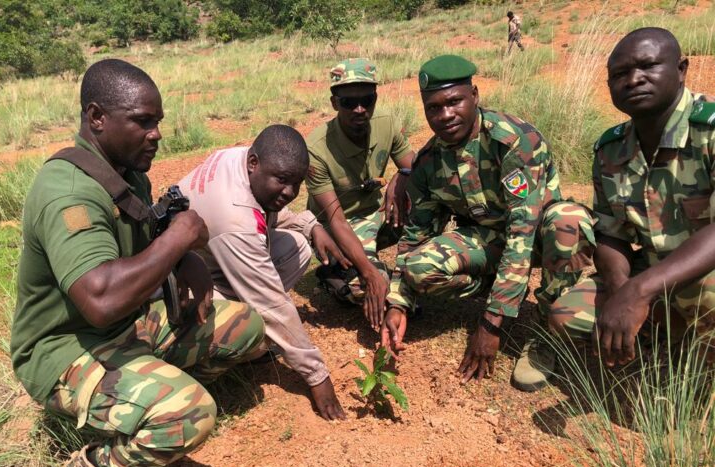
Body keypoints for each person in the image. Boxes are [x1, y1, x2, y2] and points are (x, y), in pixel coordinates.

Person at [10, 59, 266, 467]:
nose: (156, 134)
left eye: (158, 122)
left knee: (244, 326)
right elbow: (101, 300)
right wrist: (180, 238)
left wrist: (184, 256)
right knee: (192, 413)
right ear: (97, 118)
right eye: (142, 122)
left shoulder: (126, 174)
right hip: (65, 350)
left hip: (125, 328)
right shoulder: (69, 192)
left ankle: (143, 402)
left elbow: (143, 239)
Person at [380, 54, 594, 390]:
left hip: (539, 237)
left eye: (454, 102)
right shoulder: (428, 163)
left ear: (475, 96)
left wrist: (491, 323)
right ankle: (509, 291)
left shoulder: (513, 142)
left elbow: (522, 234)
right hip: (489, 239)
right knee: (418, 267)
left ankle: (547, 330)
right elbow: (415, 237)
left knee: (570, 220)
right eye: (433, 107)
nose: (445, 115)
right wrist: (398, 304)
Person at [550, 28, 715, 367]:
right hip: (652, 272)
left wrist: (640, 291)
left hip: (706, 273)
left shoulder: (709, 132)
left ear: (681, 70)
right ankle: (659, 338)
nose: (634, 80)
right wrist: (620, 289)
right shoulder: (610, 149)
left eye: (648, 66)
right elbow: (611, 233)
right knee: (566, 315)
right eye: (619, 74)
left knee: (708, 296)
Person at [176, 125, 347, 420]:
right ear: (254, 163)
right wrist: (317, 376)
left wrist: (311, 225)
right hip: (183, 291)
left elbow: (267, 205)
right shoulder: (234, 219)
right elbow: (272, 304)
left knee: (298, 247)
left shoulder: (239, 159)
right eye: (282, 181)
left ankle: (245, 320)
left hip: (208, 265)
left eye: (297, 184)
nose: (290, 193)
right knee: (255, 327)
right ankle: (190, 378)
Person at [305, 58, 415, 330]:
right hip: (338, 227)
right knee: (365, 288)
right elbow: (336, 220)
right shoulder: (316, 150)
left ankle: (402, 271)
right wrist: (369, 273)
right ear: (334, 103)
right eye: (348, 102)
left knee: (424, 207)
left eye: (367, 100)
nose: (359, 109)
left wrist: (402, 177)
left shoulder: (386, 124)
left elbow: (415, 168)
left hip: (377, 214)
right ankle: (338, 275)